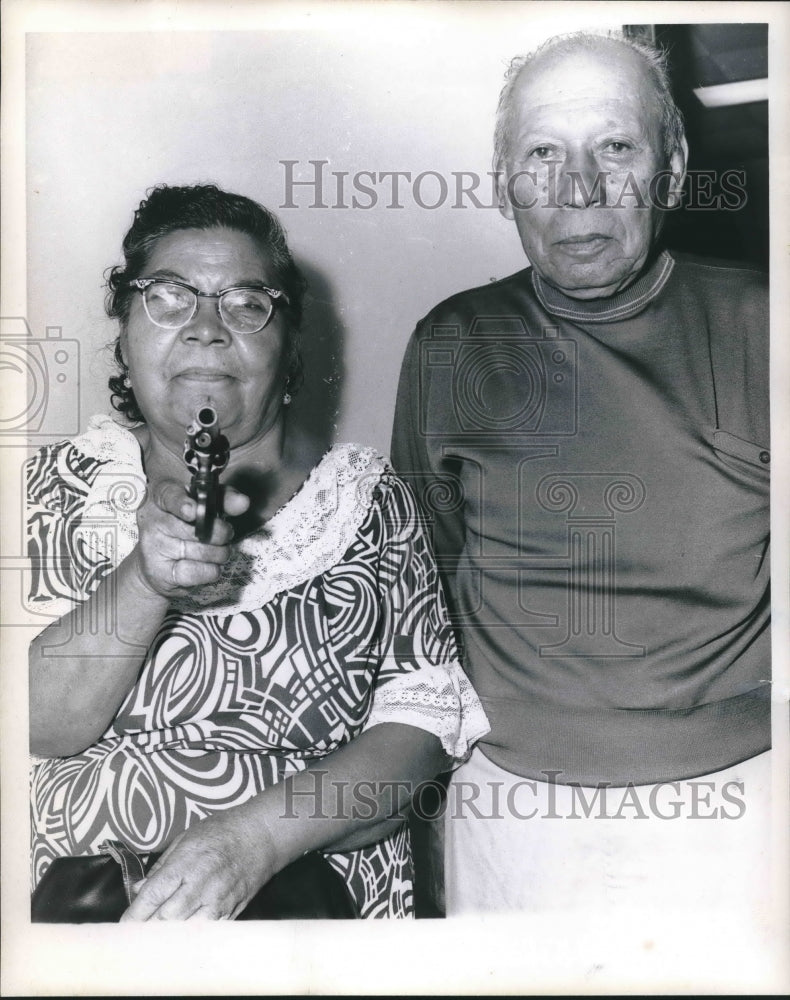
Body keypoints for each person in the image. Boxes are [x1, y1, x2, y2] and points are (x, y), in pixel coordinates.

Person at [27, 183, 489, 920]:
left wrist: (250, 843)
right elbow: (37, 725)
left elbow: (421, 733)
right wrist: (143, 582)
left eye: (246, 305)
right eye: (168, 298)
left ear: (290, 343)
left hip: (317, 915)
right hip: (78, 915)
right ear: (124, 332)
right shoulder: (45, 488)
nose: (207, 330)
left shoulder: (371, 503)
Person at [391, 31, 770, 918]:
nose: (580, 189)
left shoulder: (765, 325)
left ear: (672, 169)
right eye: (543, 154)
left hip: (742, 811)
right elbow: (422, 578)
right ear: (503, 182)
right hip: (514, 819)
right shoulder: (453, 343)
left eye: (617, 146)